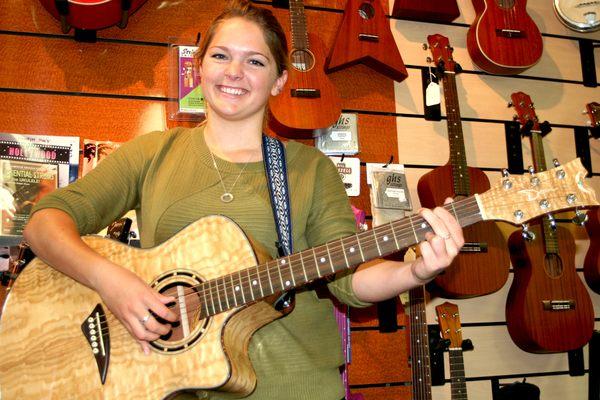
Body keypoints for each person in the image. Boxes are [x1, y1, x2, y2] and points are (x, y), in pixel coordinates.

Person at [23, 1, 464, 399]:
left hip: (296, 387)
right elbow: (44, 221)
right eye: (221, 56)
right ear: (200, 68)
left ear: (279, 81)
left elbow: (349, 282)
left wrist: (416, 270)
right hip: (168, 384)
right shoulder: (152, 153)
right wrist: (110, 281)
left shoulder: (310, 170)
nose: (234, 72)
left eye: (255, 61)